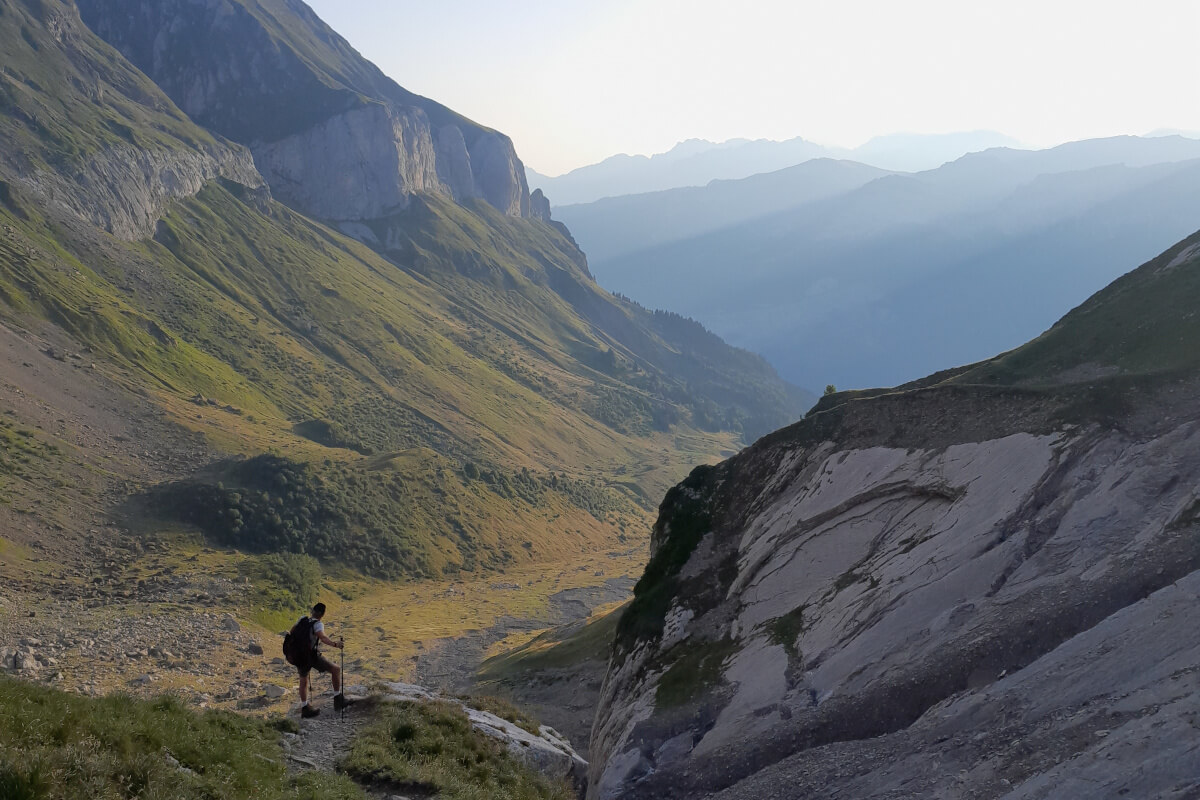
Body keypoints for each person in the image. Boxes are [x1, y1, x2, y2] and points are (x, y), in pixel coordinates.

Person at [297, 602, 344, 718]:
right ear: (322, 614)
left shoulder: (302, 619)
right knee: (335, 669)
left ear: (312, 610)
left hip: (300, 656)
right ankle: (338, 700)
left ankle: (305, 708)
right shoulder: (318, 624)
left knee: (303, 681)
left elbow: (292, 631)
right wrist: (335, 644)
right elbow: (322, 637)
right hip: (312, 656)